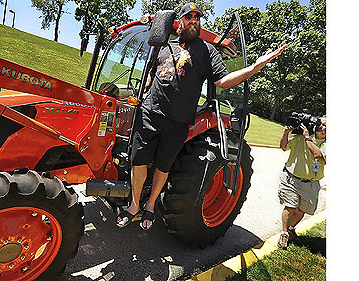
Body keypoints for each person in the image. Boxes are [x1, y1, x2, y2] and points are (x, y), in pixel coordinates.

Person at [116, 2, 288, 230]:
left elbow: (223, 81)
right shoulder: (164, 45)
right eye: (189, 17)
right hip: (150, 114)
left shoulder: (207, 51)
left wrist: (256, 66)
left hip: (178, 122)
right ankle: (135, 204)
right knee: (138, 162)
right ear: (180, 21)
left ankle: (150, 205)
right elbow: (152, 72)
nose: (194, 21)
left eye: (197, 18)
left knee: (163, 167)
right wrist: (145, 91)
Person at [277, 116, 326, 249]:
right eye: (320, 124)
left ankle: (291, 228)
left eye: (325, 125)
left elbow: (318, 155)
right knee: (290, 207)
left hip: (310, 183)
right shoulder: (300, 138)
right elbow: (283, 146)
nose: (322, 126)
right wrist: (286, 132)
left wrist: (307, 138)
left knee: (301, 211)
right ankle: (284, 233)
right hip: (291, 179)